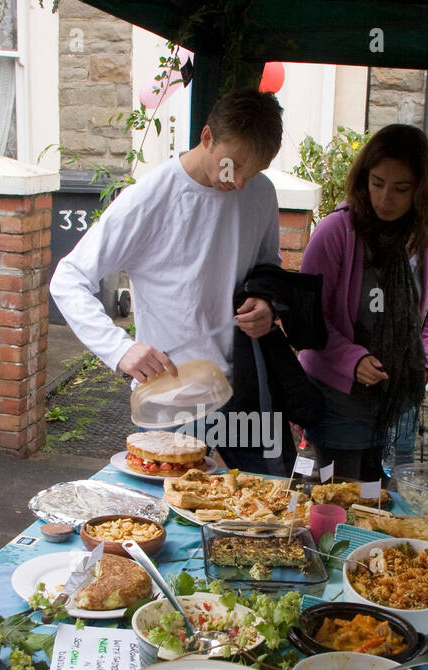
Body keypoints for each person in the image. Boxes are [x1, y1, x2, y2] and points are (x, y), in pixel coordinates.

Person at [50, 90, 284, 471]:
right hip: (172, 393)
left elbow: (267, 268)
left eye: (254, 171)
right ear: (207, 137)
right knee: (175, 517)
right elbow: (68, 277)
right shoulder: (150, 197)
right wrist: (118, 349)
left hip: (245, 383)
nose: (240, 181)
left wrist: (267, 302)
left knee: (264, 514)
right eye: (234, 165)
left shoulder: (260, 193)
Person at [298, 123, 428, 481]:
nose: (385, 199)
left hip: (398, 399)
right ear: (363, 178)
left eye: (401, 189)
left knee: (381, 502)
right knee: (336, 498)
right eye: (377, 183)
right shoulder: (336, 231)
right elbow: (310, 319)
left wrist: (425, 359)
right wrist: (353, 360)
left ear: (421, 189)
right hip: (337, 398)